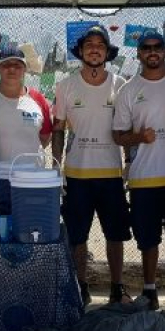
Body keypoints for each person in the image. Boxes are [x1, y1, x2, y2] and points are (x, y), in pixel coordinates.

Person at [112, 30, 165, 309]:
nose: (152, 52)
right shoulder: (128, 89)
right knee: (147, 240)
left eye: (157, 47)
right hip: (144, 179)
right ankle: (149, 292)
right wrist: (139, 137)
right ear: (138, 53)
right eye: (146, 47)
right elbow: (118, 136)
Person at [53, 24, 131, 305]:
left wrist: (129, 162)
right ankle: (80, 287)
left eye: (100, 44)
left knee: (115, 235)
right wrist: (56, 165)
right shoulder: (66, 85)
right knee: (77, 236)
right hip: (76, 175)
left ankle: (117, 288)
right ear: (81, 51)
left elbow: (127, 128)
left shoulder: (120, 84)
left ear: (107, 51)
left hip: (111, 175)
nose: (94, 49)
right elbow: (58, 128)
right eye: (89, 44)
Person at [0, 46, 52, 166]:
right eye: (6, 65)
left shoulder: (37, 98)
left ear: (25, 69)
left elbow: (45, 136)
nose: (12, 69)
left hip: (33, 174)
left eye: (17, 65)